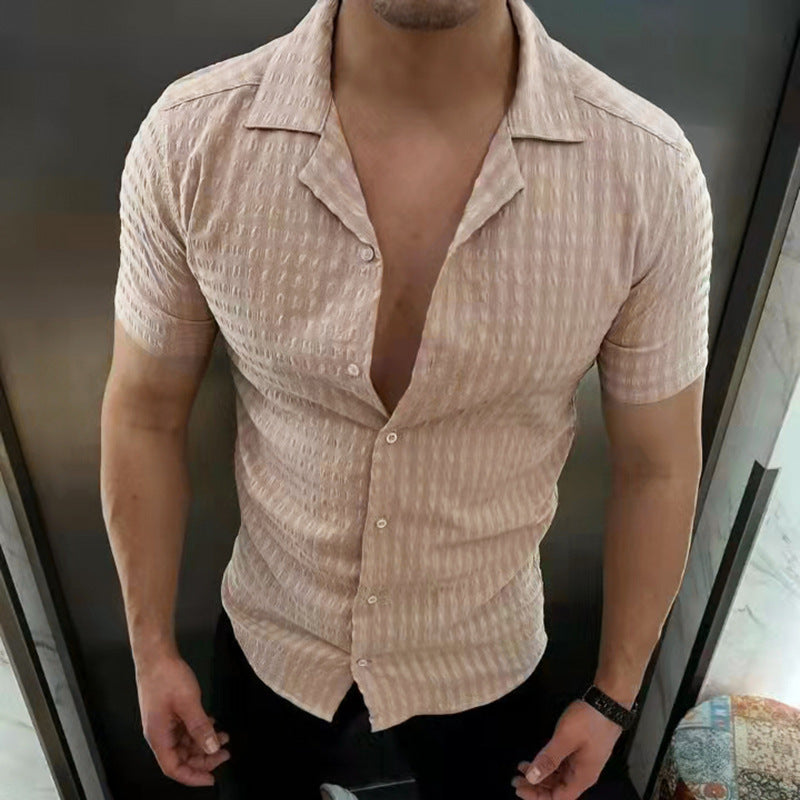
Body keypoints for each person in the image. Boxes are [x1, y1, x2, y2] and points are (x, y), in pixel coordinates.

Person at [100, 0, 713, 798]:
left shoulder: (648, 173)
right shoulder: (190, 139)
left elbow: (658, 465)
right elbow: (144, 411)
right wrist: (150, 649)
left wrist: (613, 694)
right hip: (274, 635)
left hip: (483, 651)